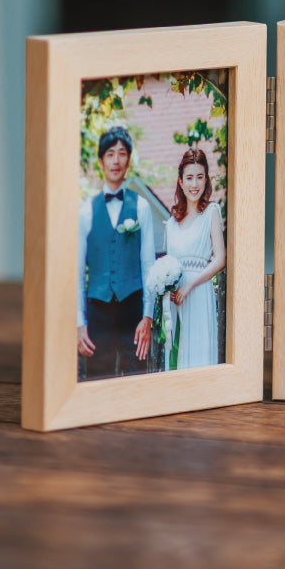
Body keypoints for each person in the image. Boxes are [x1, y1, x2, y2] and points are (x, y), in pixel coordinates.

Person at [77, 126, 156, 379]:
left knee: (136, 379)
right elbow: (77, 273)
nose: (116, 160)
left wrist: (147, 317)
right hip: (97, 311)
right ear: (101, 161)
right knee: (97, 380)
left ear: (128, 160)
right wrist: (80, 323)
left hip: (133, 310)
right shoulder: (86, 212)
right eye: (110, 154)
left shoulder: (141, 207)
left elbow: (148, 265)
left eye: (122, 153)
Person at [163, 148, 226, 370]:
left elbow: (220, 259)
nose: (194, 184)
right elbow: (167, 265)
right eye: (189, 178)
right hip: (176, 299)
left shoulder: (211, 212)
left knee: (199, 357)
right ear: (181, 182)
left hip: (199, 293)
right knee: (177, 355)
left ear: (206, 179)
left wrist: (190, 284)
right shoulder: (171, 223)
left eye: (200, 177)